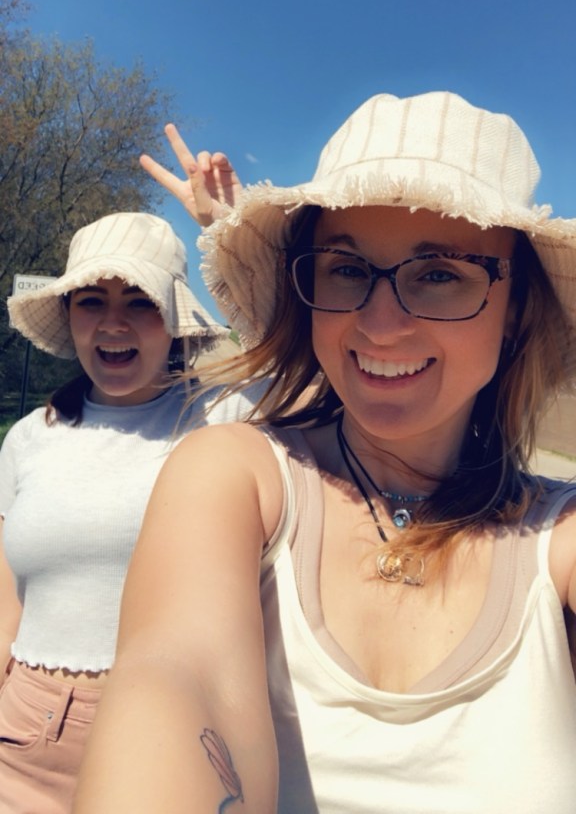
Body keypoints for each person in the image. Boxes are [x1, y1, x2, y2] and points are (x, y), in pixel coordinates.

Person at [74, 92, 576, 814]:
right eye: (345, 269)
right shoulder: (235, 477)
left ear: (516, 306)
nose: (380, 324)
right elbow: (178, 678)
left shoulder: (558, 538)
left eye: (439, 274)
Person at [0, 211, 260, 814]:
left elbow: (312, 370)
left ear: (175, 320)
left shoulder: (224, 417)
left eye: (140, 302)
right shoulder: (29, 437)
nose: (113, 323)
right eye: (91, 301)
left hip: (165, 737)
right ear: (70, 315)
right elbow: (8, 595)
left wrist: (233, 233)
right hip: (24, 730)